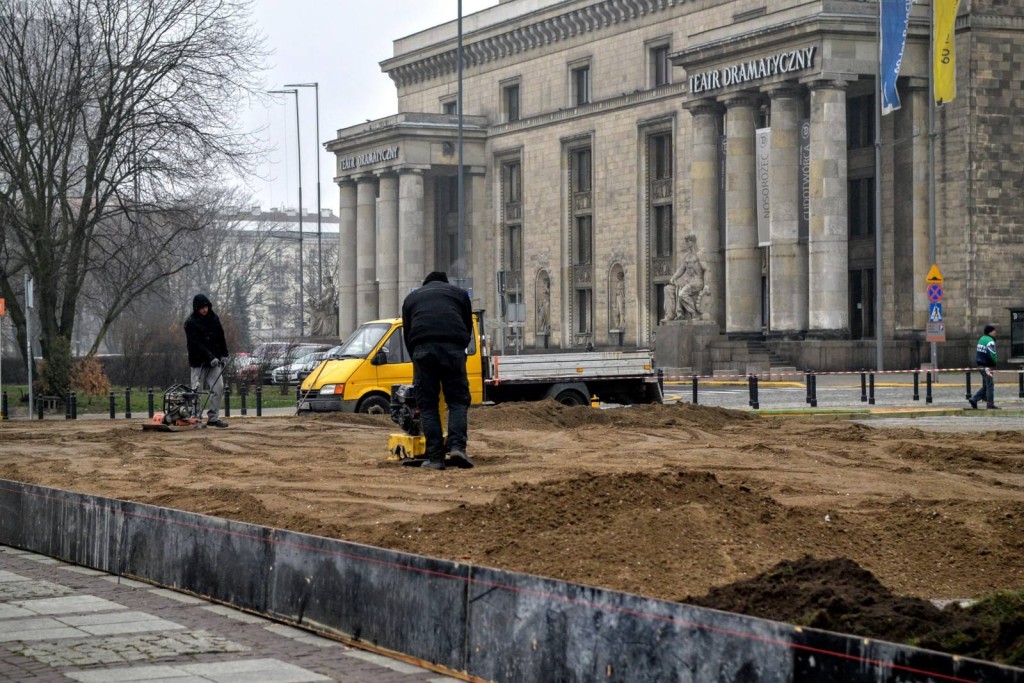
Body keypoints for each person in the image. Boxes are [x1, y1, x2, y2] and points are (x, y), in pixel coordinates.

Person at [401, 271, 474, 470]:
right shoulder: (459, 294)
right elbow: (467, 328)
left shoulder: (411, 298)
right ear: (446, 282)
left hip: (423, 350)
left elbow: (407, 333)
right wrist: (459, 350)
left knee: (428, 405)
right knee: (458, 401)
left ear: (425, 284)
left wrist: (416, 358)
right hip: (454, 349)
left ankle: (435, 459)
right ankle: (458, 448)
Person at [184, 293, 230, 428]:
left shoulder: (214, 318)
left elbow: (221, 337)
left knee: (218, 387)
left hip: (215, 361)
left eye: (206, 307)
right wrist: (210, 358)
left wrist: (224, 354)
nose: (205, 309)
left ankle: (213, 416)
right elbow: (195, 344)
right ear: (196, 308)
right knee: (196, 391)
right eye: (202, 307)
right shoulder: (190, 323)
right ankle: (195, 417)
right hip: (199, 362)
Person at [968, 324, 999, 410]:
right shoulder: (990, 341)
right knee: (990, 385)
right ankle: (990, 403)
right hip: (987, 366)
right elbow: (992, 354)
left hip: (980, 365)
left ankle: (974, 399)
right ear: (990, 332)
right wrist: (995, 362)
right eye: (994, 331)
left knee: (986, 385)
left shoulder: (981, 339)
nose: (995, 332)